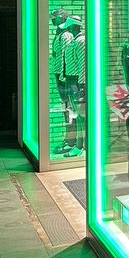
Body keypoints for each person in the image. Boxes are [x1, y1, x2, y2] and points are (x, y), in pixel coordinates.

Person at [49, 8, 76, 156]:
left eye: (55, 18)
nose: (52, 20)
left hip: (65, 77)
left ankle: (71, 141)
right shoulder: (60, 34)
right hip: (60, 75)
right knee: (66, 108)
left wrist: (64, 76)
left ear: (61, 18)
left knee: (70, 108)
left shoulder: (65, 35)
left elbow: (67, 57)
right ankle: (69, 139)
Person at [62, 16, 87, 158]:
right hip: (72, 80)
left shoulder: (81, 41)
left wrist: (82, 85)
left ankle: (80, 146)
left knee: (81, 116)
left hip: (78, 82)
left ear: (74, 26)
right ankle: (80, 144)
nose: (68, 28)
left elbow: (83, 65)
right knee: (76, 114)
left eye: (69, 26)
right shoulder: (74, 40)